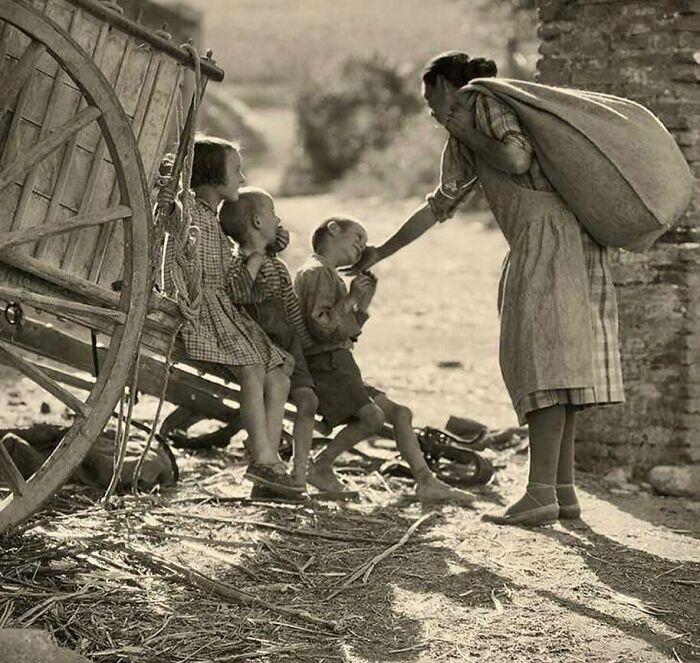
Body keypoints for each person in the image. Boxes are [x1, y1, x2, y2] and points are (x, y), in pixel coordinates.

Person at [349, 51, 625, 526]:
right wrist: (379, 253)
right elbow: (437, 208)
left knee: (544, 365)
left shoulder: (481, 102)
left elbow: (516, 158)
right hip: (556, 240)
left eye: (429, 95)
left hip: (549, 238)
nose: (430, 108)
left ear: (444, 85)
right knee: (559, 361)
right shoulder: (464, 132)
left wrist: (463, 126)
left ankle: (541, 494)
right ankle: (561, 491)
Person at [294, 215, 476, 505]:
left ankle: (426, 482)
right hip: (324, 366)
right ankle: (321, 464)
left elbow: (345, 335)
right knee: (373, 418)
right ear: (333, 229)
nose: (361, 249)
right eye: (358, 239)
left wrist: (361, 303)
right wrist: (351, 297)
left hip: (339, 365)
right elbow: (323, 328)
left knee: (400, 413)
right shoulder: (315, 271)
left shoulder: (329, 275)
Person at [160, 137, 300, 496]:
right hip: (203, 308)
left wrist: (264, 245)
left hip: (223, 307)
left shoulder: (214, 220)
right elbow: (170, 211)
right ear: (210, 175)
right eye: (236, 169)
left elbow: (231, 273)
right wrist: (168, 183)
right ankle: (264, 459)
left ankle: (267, 465)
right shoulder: (188, 211)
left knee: (279, 375)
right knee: (252, 369)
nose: (242, 176)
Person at [219, 188, 319, 495]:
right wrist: (255, 258)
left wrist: (305, 342)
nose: (280, 220)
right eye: (274, 214)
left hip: (285, 340)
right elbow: (237, 294)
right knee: (276, 386)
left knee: (284, 387)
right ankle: (268, 463)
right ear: (258, 221)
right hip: (261, 339)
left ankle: (269, 466)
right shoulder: (239, 263)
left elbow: (290, 307)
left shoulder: (276, 263)